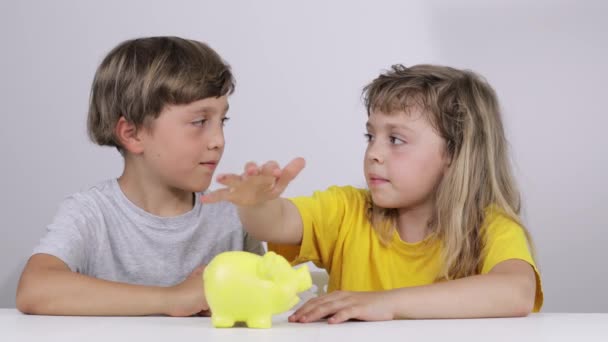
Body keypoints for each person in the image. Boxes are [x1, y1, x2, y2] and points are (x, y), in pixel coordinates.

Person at [202, 64, 543, 323]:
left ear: (455, 153)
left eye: (396, 139)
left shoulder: (489, 226)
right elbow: (275, 224)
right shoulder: (348, 209)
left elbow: (516, 292)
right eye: (371, 137)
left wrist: (386, 303)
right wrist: (257, 204)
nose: (374, 153)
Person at [16, 36, 263, 316]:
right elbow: (35, 289)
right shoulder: (92, 213)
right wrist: (173, 299)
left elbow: (266, 297)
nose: (218, 140)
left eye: (222, 121)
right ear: (132, 134)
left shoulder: (234, 217)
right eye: (199, 122)